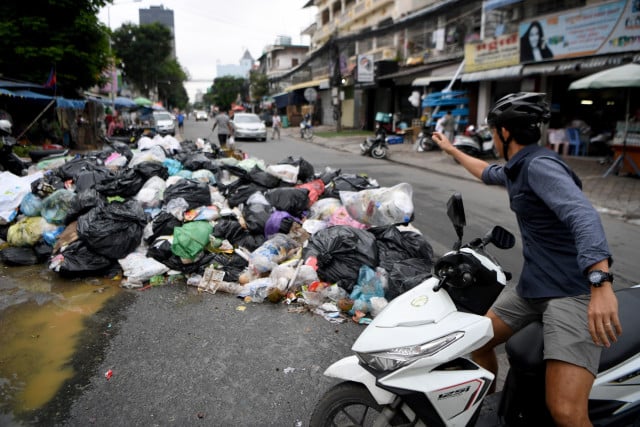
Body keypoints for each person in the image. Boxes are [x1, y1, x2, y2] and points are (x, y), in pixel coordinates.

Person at [432, 92, 620, 427]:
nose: (491, 140)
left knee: (565, 411)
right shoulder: (519, 167)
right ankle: (486, 409)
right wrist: (450, 149)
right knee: (477, 339)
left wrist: (600, 282)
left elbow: (583, 216)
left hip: (570, 291)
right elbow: (487, 172)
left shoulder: (540, 167)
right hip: (533, 286)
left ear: (505, 133)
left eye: (492, 133)